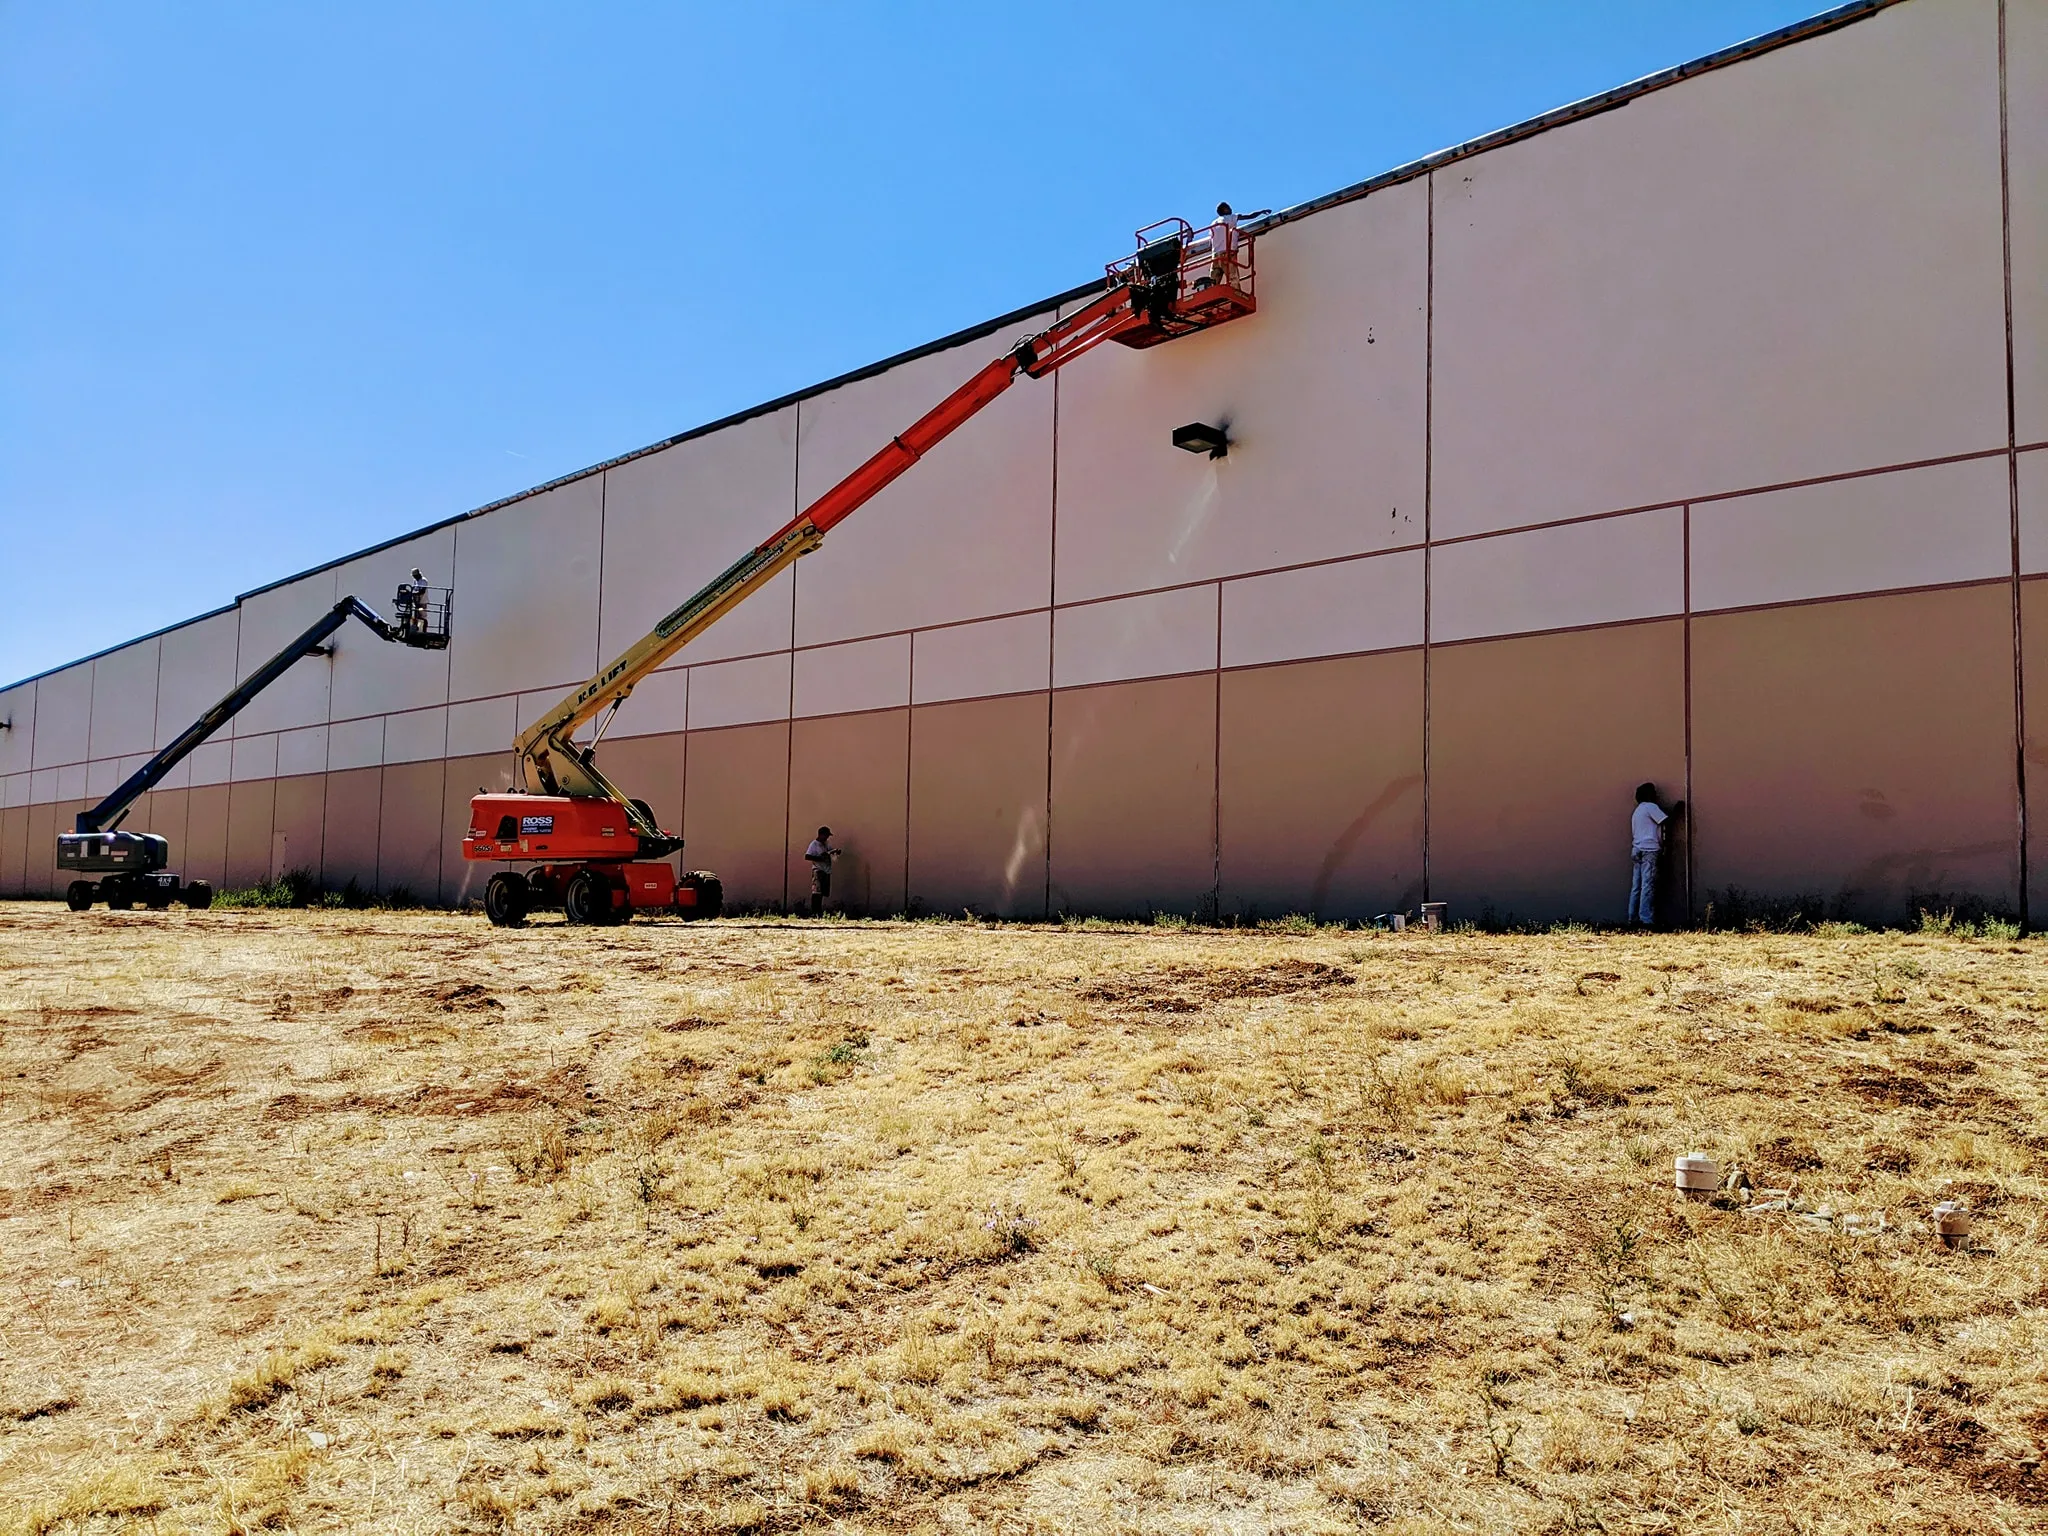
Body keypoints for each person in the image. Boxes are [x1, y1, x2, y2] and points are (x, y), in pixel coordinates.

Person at [1628, 783, 1682, 928]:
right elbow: (1665, 821)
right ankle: (1646, 919)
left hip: (1637, 849)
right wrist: (1676, 811)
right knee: (1648, 885)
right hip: (1649, 850)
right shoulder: (1650, 807)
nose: (1656, 795)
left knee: (1636, 886)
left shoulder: (1638, 810)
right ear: (1648, 795)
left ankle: (1632, 917)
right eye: (1653, 793)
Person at [804, 826, 841, 917]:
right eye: (826, 835)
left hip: (826, 871)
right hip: (818, 870)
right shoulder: (814, 844)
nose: (827, 838)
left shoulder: (826, 844)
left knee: (823, 892)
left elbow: (830, 851)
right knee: (816, 892)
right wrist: (820, 858)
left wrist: (835, 852)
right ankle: (815, 912)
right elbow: (807, 856)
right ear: (821, 835)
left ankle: (819, 911)